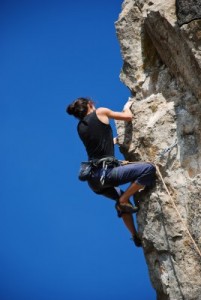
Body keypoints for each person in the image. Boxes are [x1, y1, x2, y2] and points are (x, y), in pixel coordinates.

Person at [66, 97, 156, 247]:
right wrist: (127, 106)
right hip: (106, 174)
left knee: (118, 196)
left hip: (94, 180)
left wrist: (112, 141)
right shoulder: (101, 112)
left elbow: (97, 143)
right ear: (90, 104)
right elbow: (128, 117)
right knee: (148, 169)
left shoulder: (80, 127)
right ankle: (124, 200)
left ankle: (134, 235)